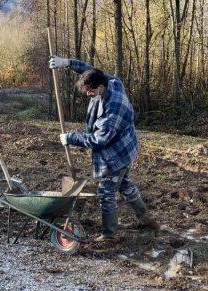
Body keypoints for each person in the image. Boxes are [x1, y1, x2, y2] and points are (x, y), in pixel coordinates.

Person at [49, 56, 160, 242]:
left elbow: (99, 139)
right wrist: (66, 63)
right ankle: (146, 218)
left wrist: (71, 138)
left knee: (106, 193)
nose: (88, 94)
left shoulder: (114, 107)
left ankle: (109, 235)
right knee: (124, 184)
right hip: (126, 148)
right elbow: (90, 71)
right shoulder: (110, 82)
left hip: (116, 153)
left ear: (100, 88)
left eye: (90, 92)